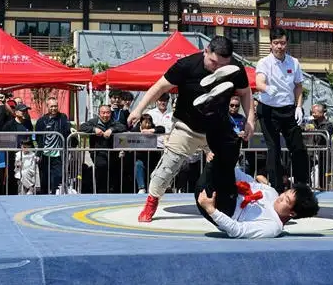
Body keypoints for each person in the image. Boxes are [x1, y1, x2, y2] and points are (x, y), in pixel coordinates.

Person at [128, 36, 255, 222]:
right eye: (214, 62)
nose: (217, 68)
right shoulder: (186, 65)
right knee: (167, 168)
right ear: (206, 51)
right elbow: (160, 87)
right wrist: (138, 109)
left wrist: (250, 120)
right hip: (187, 127)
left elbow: (245, 92)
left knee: (231, 170)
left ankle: (237, 204)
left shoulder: (234, 68)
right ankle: (152, 201)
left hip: (218, 128)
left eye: (223, 65)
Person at [196, 164, 319, 239]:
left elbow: (237, 230)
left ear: (292, 213)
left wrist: (211, 210)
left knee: (208, 178)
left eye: (286, 200)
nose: (281, 197)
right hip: (230, 192)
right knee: (223, 155)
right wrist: (227, 163)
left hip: (226, 210)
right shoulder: (272, 193)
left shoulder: (272, 227)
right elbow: (248, 181)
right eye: (285, 193)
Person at [255, 27, 309, 193]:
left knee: (298, 148)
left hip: (288, 109)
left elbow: (298, 86)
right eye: (276, 43)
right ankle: (276, 188)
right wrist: (266, 88)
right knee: (274, 149)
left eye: (283, 43)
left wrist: (299, 107)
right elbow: (259, 82)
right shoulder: (264, 62)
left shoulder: (294, 62)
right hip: (268, 110)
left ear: (287, 43)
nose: (280, 46)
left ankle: (301, 186)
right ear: (271, 44)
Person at [35, 97, 71, 194]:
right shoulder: (41, 121)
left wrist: (71, 129)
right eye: (51, 106)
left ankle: (55, 196)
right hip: (45, 155)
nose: (54, 108)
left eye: (55, 106)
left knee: (57, 179)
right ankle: (44, 197)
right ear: (47, 107)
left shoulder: (62, 117)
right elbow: (38, 138)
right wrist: (38, 153)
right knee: (44, 179)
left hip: (58, 155)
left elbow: (67, 128)